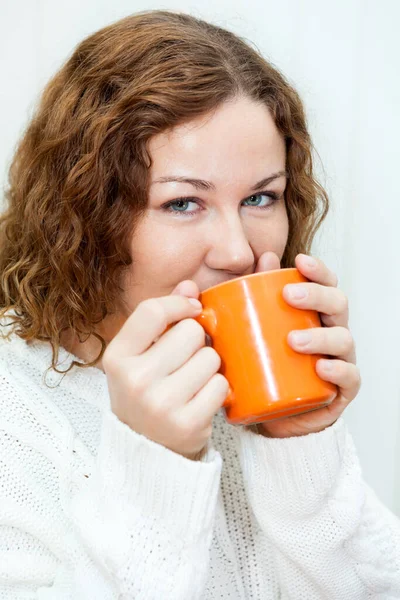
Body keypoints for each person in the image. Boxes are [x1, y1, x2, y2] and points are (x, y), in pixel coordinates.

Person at [0, 9, 399, 599]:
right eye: (184, 203)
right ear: (83, 215)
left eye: (262, 197)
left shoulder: (247, 374)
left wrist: (299, 449)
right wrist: (153, 461)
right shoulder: (16, 406)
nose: (239, 252)